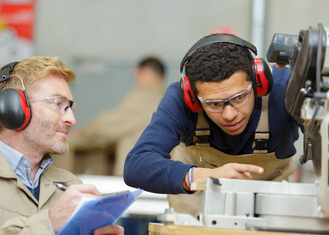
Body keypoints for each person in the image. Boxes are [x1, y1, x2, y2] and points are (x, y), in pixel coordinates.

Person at [123, 33, 303, 216]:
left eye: (240, 97)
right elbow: (136, 165)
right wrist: (203, 176)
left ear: (259, 81)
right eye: (213, 104)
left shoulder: (285, 90)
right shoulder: (180, 100)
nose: (230, 115)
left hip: (271, 204)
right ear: (192, 98)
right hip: (199, 203)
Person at [0, 56, 125, 235]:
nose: (71, 120)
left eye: (69, 107)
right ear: (13, 108)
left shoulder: (70, 185)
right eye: (58, 104)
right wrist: (49, 222)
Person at [70, 56, 166, 176]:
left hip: (138, 173)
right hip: (158, 172)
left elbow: (107, 125)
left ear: (145, 72)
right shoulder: (166, 98)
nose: (135, 81)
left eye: (135, 75)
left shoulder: (144, 95)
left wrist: (82, 133)